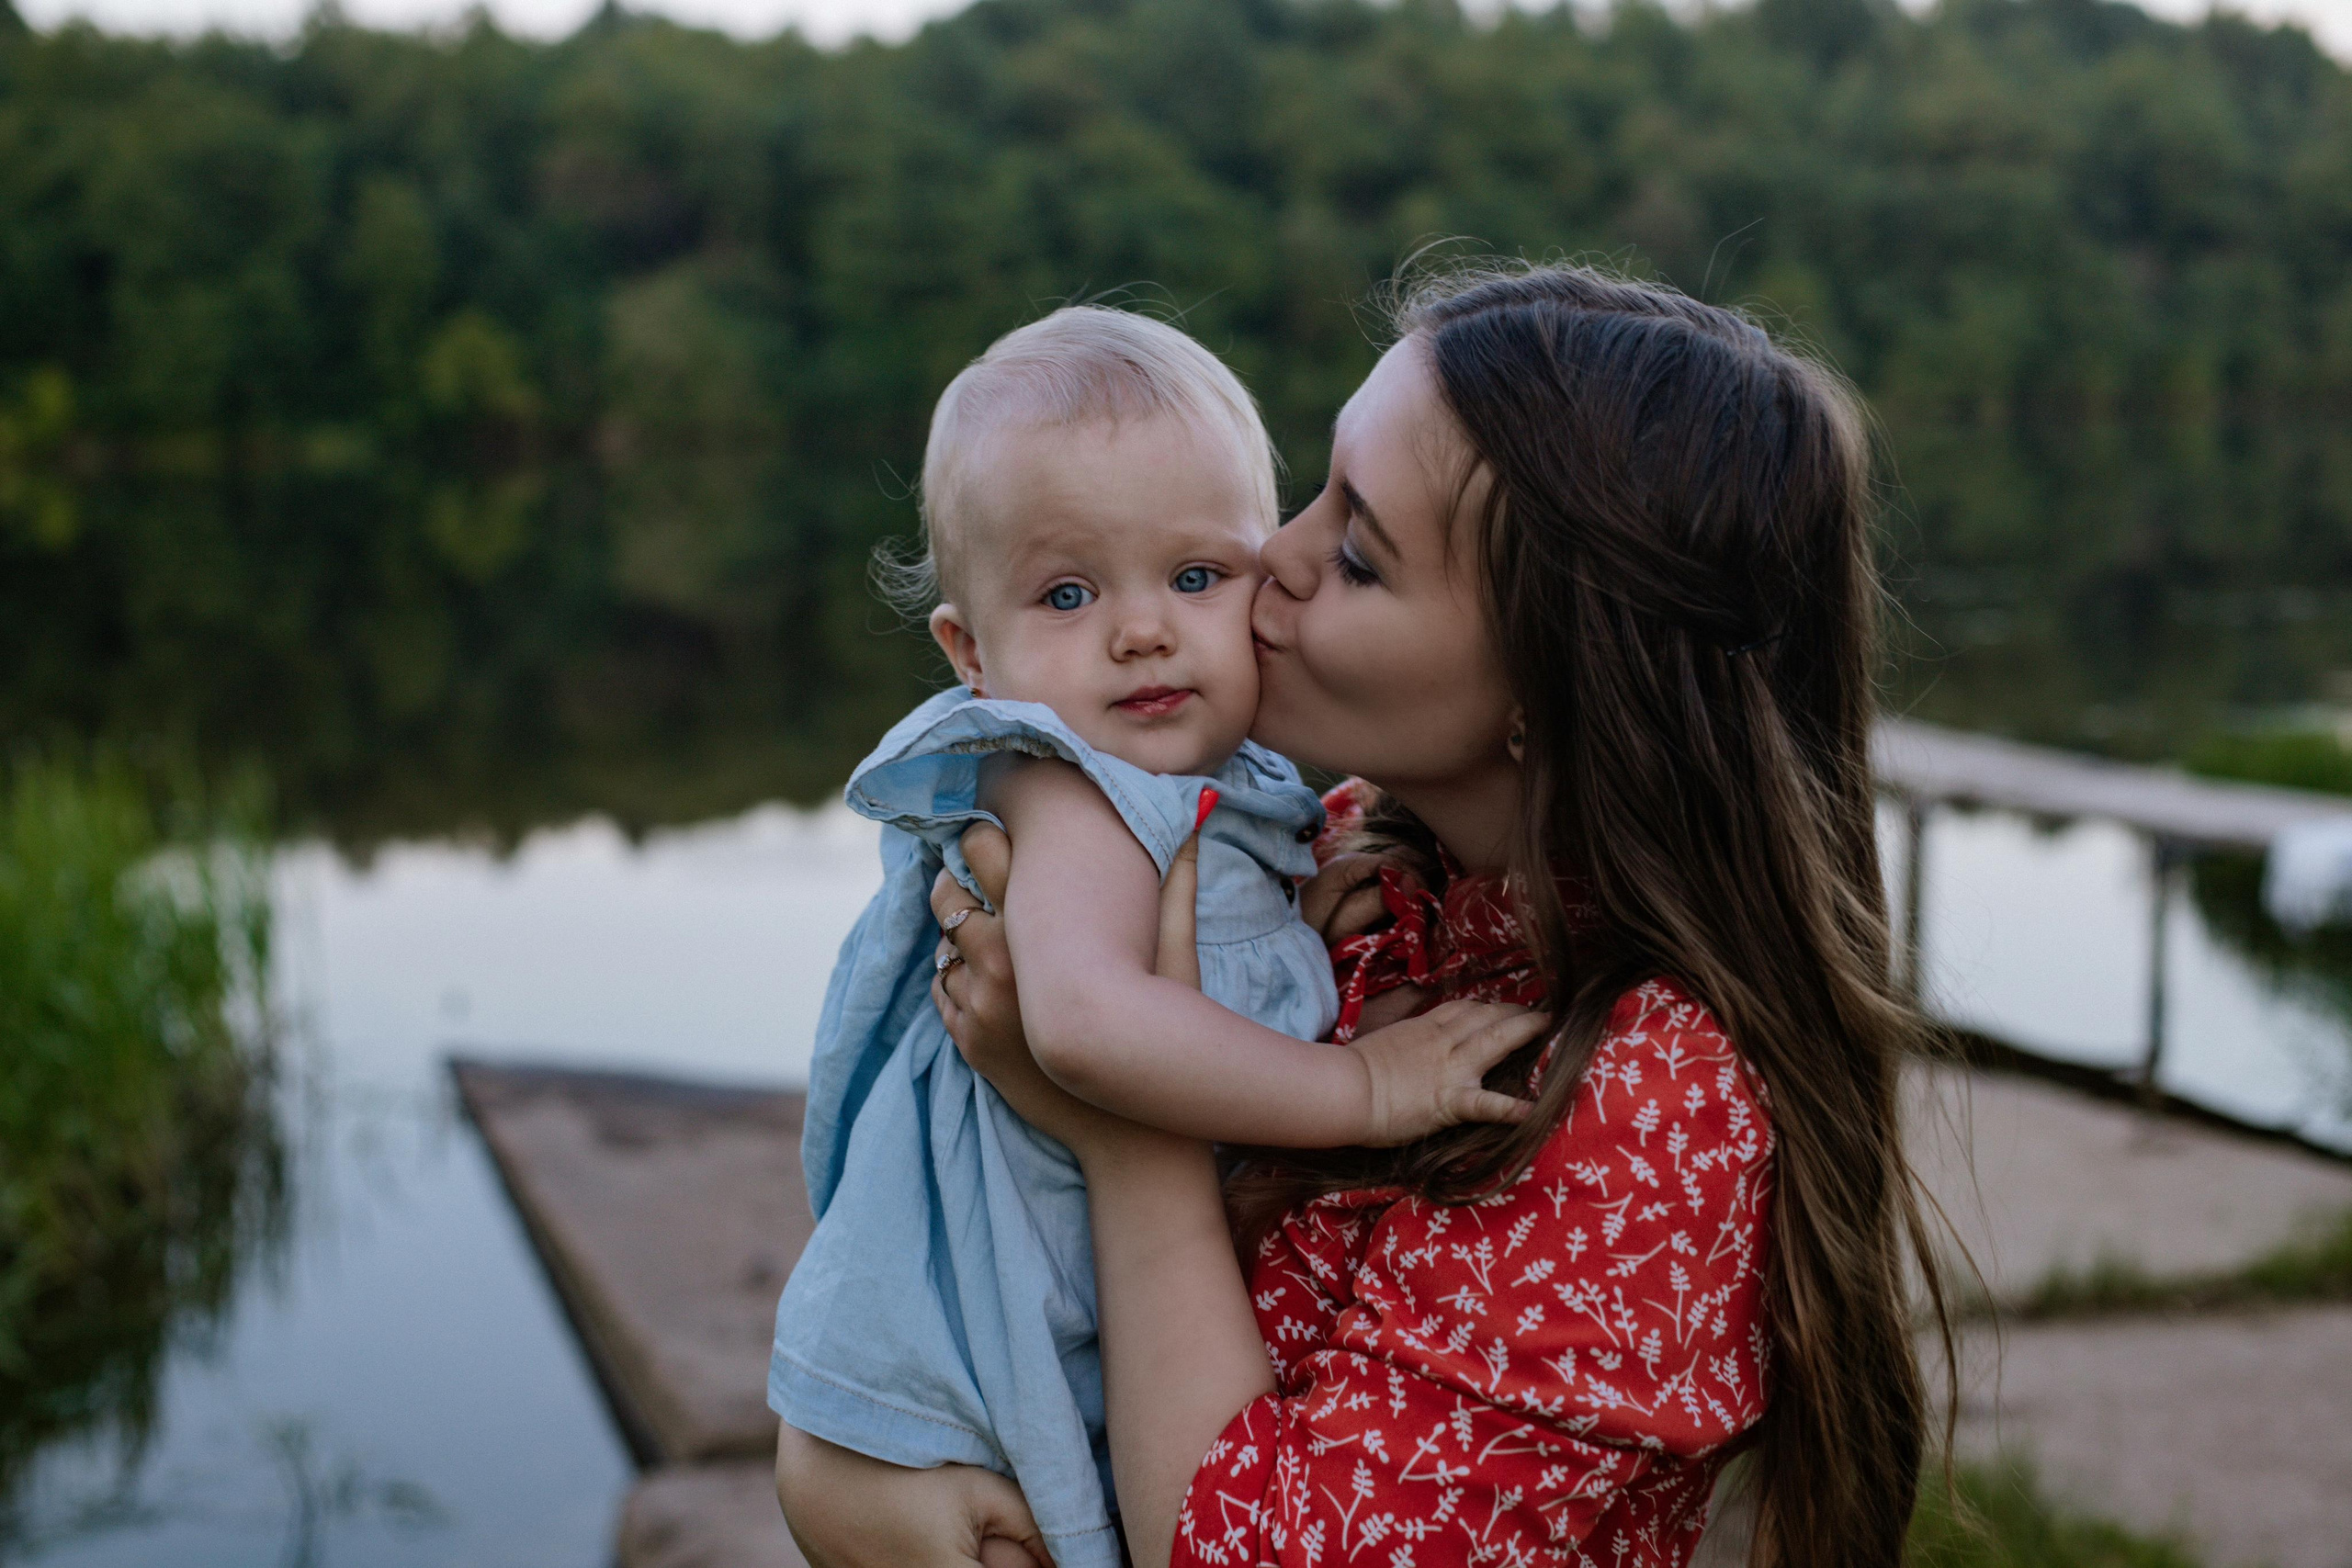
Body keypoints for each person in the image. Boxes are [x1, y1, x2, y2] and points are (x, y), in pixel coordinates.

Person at [777, 264, 1956, 1568]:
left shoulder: (1652, 1104)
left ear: (1550, 684)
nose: (1264, 561)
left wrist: (1128, 1138)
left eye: (1354, 553)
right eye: (1315, 491)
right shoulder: (1355, 863)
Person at [770, 305, 1536, 1568]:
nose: (1141, 630)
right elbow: (1082, 1018)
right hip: (978, 1374)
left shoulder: (1222, 791)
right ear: (973, 653)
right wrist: (1359, 1081)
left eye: (1195, 576)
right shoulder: (1067, 781)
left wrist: (1278, 927)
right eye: (1068, 593)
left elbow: (1174, 949)